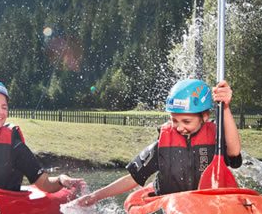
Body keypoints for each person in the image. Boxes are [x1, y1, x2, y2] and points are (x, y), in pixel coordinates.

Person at [74, 78, 242, 206]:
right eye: (174, 120)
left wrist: (225, 107)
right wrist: (94, 196)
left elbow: (234, 151)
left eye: (187, 122)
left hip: (205, 206)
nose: (179, 127)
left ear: (205, 116)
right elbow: (133, 178)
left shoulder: (215, 136)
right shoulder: (163, 143)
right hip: (171, 206)